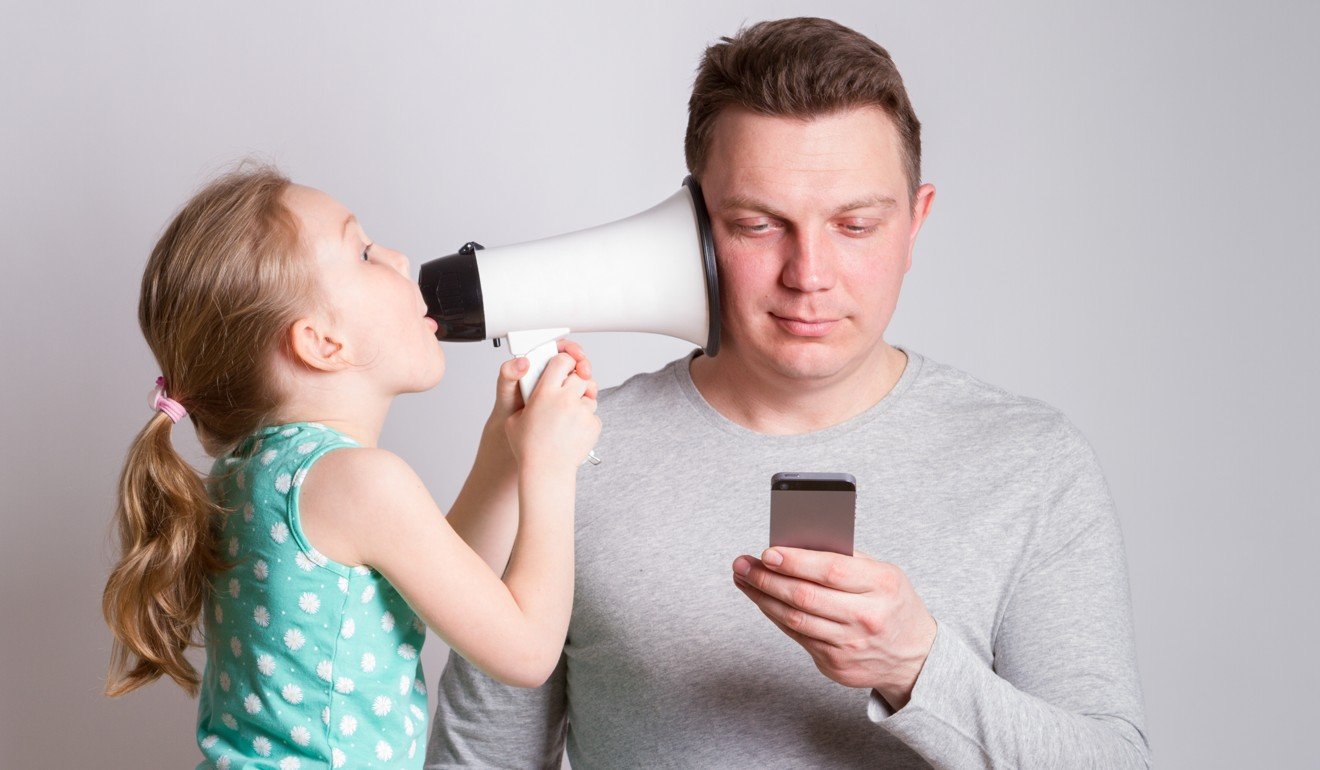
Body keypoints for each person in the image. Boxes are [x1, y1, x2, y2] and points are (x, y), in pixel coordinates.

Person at [426, 17, 1150, 769]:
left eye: (856, 225)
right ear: (697, 230)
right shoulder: (563, 453)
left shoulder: (1032, 464)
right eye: (758, 224)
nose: (809, 273)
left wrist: (916, 667)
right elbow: (480, 759)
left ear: (915, 223)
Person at [101, 166, 601, 769]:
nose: (397, 255)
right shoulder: (361, 482)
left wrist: (504, 455)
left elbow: (429, 597)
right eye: (363, 251)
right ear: (322, 344)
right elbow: (526, 652)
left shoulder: (247, 475)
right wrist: (551, 469)